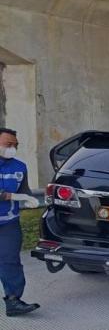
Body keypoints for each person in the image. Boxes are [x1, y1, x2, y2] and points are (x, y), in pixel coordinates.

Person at [0, 128, 40, 316]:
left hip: (8, 223)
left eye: (15, 145)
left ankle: (13, 301)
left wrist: (30, 200)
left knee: (11, 261)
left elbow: (26, 191)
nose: (12, 148)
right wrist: (12, 195)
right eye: (8, 144)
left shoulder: (20, 166)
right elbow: (15, 195)